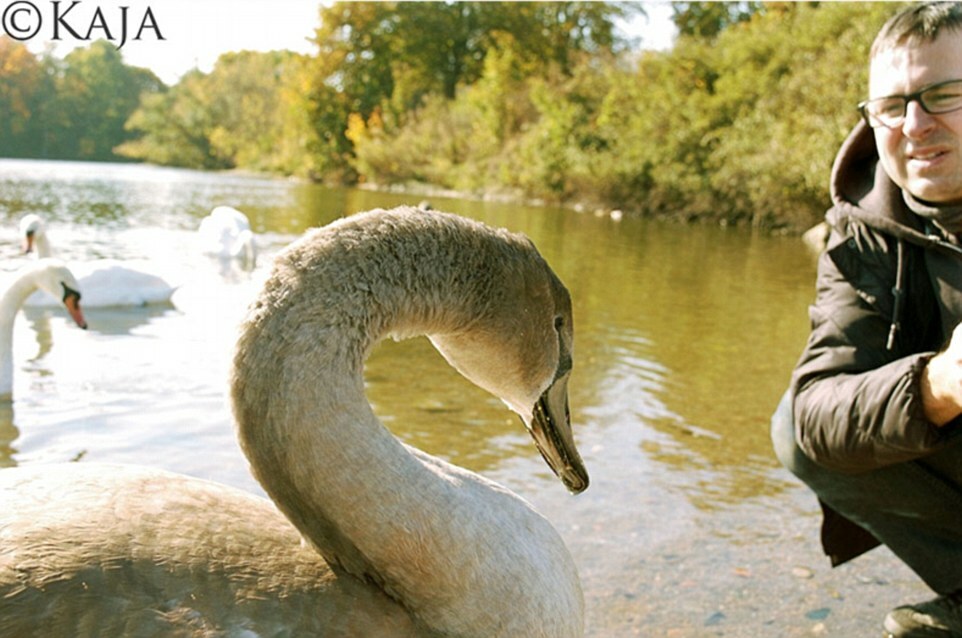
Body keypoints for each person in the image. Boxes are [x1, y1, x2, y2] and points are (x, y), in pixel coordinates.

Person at [771, 2, 962, 636]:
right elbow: (816, 413)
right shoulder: (860, 234)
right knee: (792, 432)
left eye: (945, 94)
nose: (916, 124)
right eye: (893, 106)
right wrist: (938, 386)